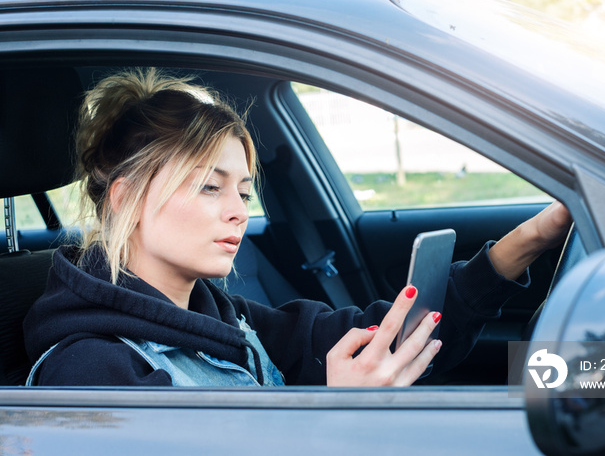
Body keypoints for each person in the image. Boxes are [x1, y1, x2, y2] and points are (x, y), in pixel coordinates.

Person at [23, 68, 572, 387]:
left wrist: (523, 246)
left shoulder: (226, 320)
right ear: (127, 200)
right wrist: (336, 422)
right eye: (209, 187)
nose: (239, 211)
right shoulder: (90, 368)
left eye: (243, 191)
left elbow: (374, 337)